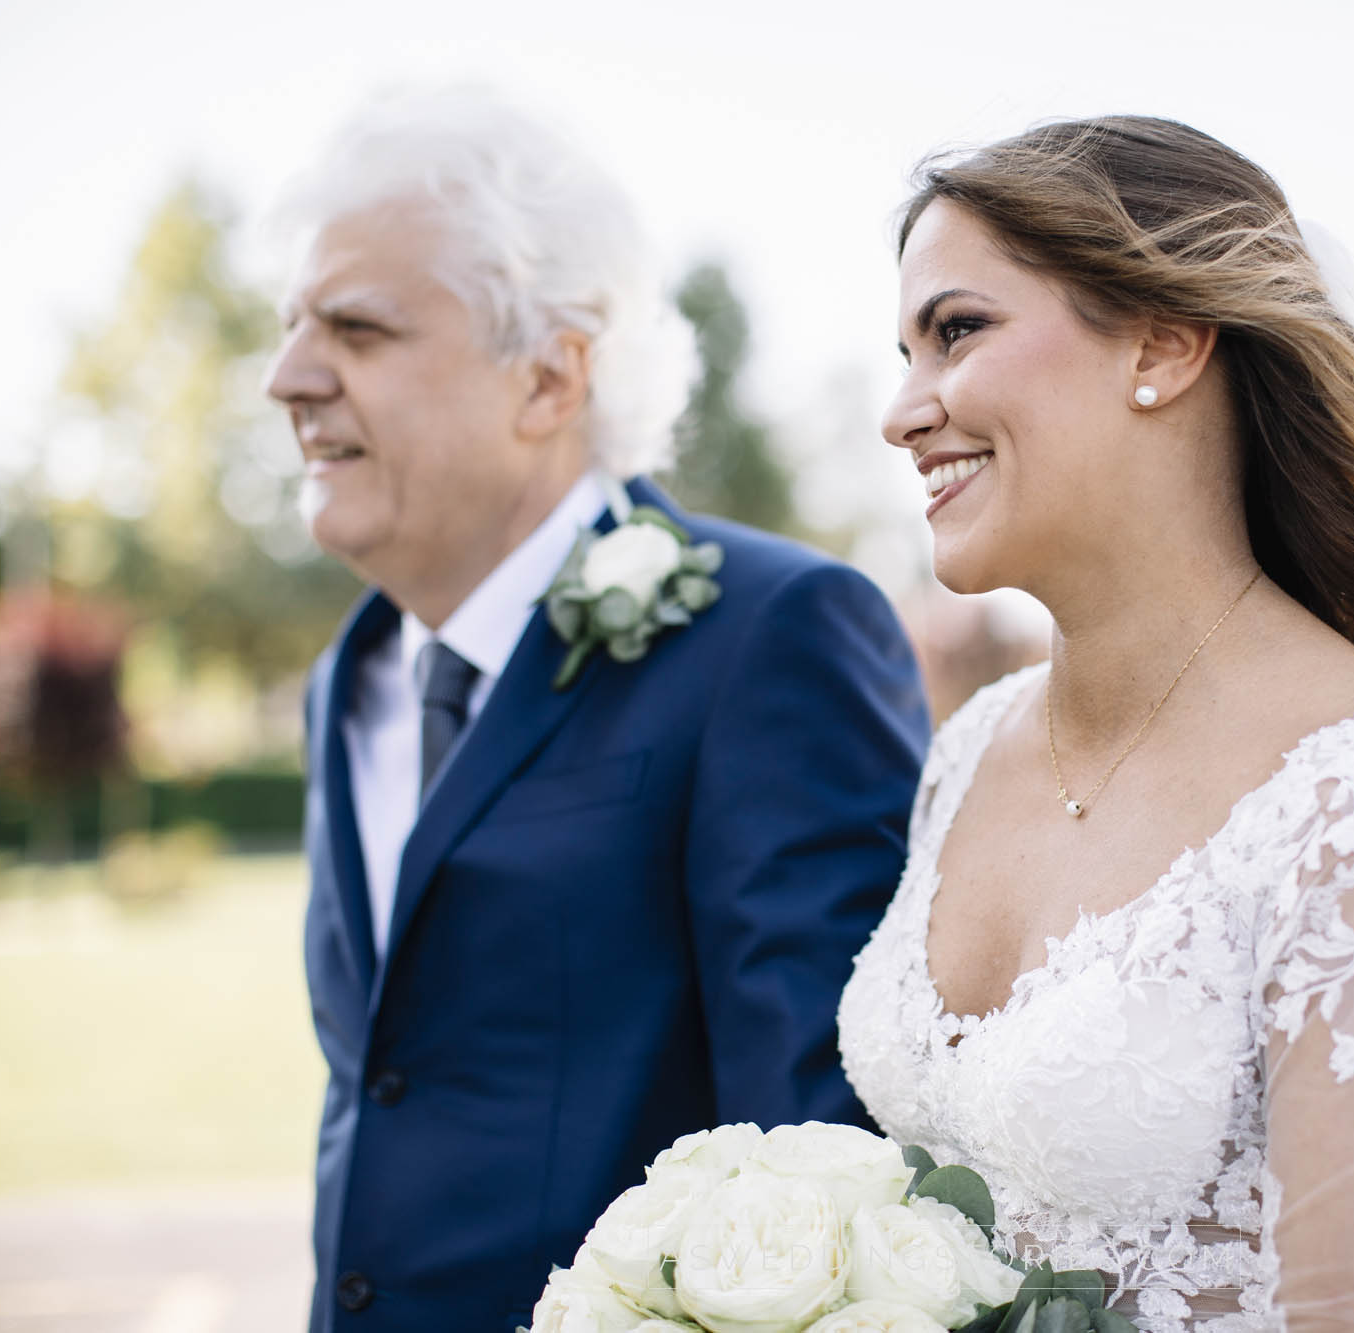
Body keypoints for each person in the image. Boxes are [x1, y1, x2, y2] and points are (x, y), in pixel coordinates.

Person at [838, 117, 1354, 1332]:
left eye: (956, 330)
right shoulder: (969, 751)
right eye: (903, 350)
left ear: (1161, 343)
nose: (902, 411)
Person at [269, 92, 930, 1333]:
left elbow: (834, 1147)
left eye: (354, 328)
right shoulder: (343, 680)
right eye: (293, 327)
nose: (287, 377)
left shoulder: (767, 634)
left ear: (550, 373)